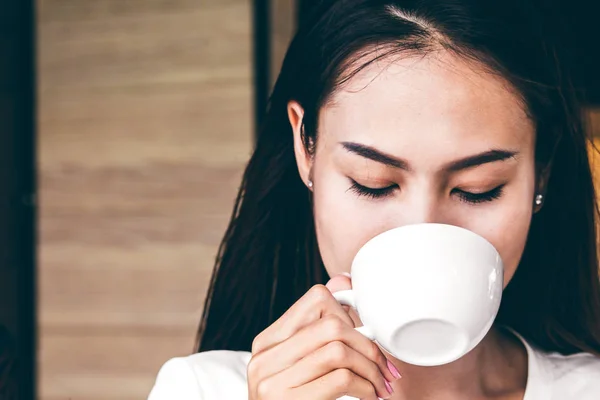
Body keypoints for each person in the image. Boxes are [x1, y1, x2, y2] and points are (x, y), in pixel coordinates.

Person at [148, 0, 600, 398]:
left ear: (542, 171)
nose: (421, 231)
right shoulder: (202, 390)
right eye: (374, 183)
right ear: (306, 149)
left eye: (477, 189)